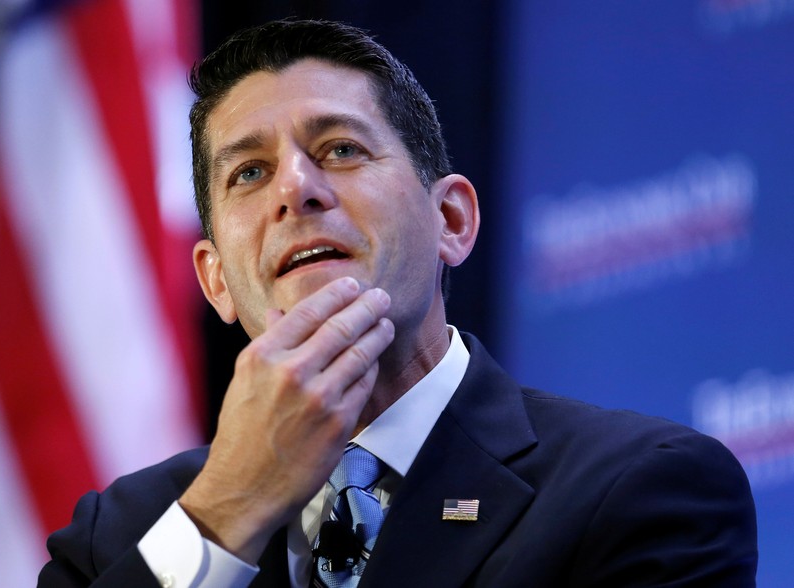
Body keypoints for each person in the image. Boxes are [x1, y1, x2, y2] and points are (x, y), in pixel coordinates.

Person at [38, 18, 758, 587]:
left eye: (342, 149)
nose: (295, 188)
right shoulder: (118, 537)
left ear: (450, 221)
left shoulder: (636, 488)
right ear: (216, 280)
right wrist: (225, 512)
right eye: (249, 171)